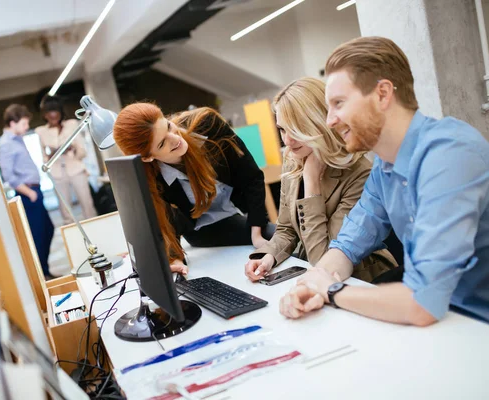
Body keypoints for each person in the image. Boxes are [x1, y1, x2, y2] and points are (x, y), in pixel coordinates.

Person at [279, 36, 489, 325]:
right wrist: (310, 284)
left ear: (382, 94)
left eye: (338, 103)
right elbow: (346, 246)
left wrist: (331, 290)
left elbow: (421, 304)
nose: (329, 121)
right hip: (449, 322)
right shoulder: (384, 168)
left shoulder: (450, 154)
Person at [245, 78, 397, 283]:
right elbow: (286, 229)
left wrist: (311, 183)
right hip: (309, 271)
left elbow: (325, 259)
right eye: (282, 129)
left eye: (295, 128)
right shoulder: (294, 159)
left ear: (318, 123)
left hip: (360, 278)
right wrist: (268, 257)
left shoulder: (360, 174)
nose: (287, 141)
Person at [113, 103, 276, 274]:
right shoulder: (150, 178)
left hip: (242, 212)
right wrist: (175, 260)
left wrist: (256, 235)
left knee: (279, 239)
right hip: (201, 231)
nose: (174, 139)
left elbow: (252, 177)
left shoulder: (208, 125)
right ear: (147, 158)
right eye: (162, 144)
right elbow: (165, 224)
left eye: (168, 126)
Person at [0, 104, 55, 279]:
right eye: (23, 123)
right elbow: (8, 175)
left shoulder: (17, 138)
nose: (26, 127)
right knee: (37, 235)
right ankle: (41, 276)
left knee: (48, 229)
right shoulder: (6, 144)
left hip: (34, 191)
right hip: (27, 194)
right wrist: (29, 193)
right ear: (12, 123)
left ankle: (44, 271)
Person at [36, 95, 97, 225]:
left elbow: (82, 152)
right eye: (49, 113)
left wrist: (72, 148)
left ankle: (94, 227)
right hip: (57, 173)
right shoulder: (41, 131)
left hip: (76, 169)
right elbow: (44, 159)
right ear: (45, 115)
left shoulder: (72, 124)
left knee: (87, 203)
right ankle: (72, 236)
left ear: (60, 112)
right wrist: (53, 153)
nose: (53, 116)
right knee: (65, 210)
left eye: (55, 113)